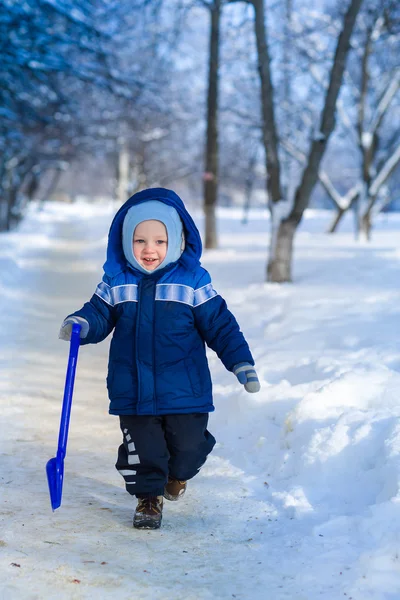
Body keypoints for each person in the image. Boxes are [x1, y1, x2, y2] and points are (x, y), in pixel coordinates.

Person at [59, 187, 260, 530]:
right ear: (125, 241)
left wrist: (241, 362)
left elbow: (221, 325)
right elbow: (98, 314)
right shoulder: (116, 281)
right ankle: (147, 499)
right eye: (139, 241)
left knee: (189, 448)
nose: (149, 250)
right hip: (133, 389)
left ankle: (178, 476)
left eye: (160, 241)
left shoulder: (193, 282)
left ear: (178, 241)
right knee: (144, 451)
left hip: (185, 389)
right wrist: (81, 323)